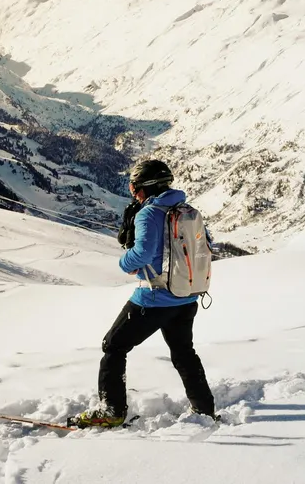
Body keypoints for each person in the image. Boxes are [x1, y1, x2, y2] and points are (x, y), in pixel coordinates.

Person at [70, 159, 216, 428]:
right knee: (184, 353)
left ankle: (111, 410)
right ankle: (204, 408)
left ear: (145, 188)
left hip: (154, 298)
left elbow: (143, 254)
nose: (134, 194)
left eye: (135, 189)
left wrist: (125, 263)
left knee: (113, 346)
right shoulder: (187, 210)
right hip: (187, 297)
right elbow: (207, 244)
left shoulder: (149, 214)